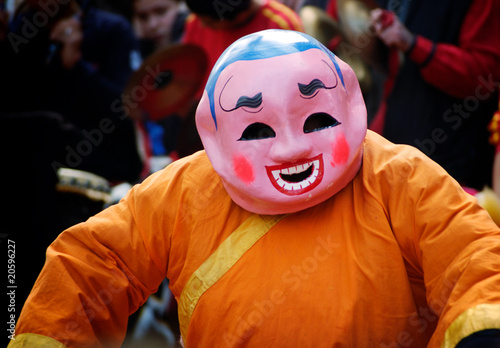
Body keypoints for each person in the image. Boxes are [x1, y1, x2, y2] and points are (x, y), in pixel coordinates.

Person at [8, 29, 500, 348]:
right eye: (257, 129)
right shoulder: (186, 191)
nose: (289, 149)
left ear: (349, 103)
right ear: (214, 131)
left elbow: (471, 252)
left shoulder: (399, 177)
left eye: (316, 118)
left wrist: (482, 327)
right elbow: (94, 262)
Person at [366, 0, 500, 191]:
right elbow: (396, 76)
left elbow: (484, 77)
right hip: (401, 153)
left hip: (454, 167)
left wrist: (412, 44)